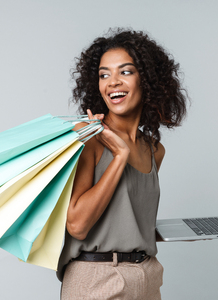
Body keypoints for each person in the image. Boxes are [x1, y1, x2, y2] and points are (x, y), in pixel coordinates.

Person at [57, 28, 188, 299]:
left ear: (148, 81)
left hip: (147, 275)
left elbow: (122, 216)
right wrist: (119, 156)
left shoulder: (154, 149)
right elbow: (78, 225)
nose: (113, 82)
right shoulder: (88, 137)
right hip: (97, 278)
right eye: (104, 75)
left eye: (125, 72)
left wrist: (184, 230)